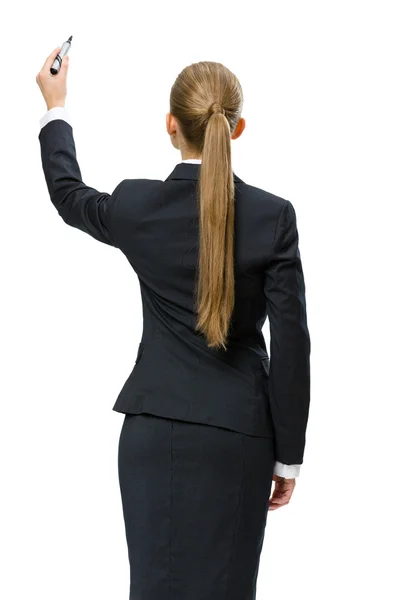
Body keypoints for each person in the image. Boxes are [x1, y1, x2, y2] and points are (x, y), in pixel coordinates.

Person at [36, 48, 311, 600]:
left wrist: (55, 107)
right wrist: (289, 455)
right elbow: (293, 346)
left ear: (170, 125)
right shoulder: (272, 216)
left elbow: (69, 196)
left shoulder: (137, 205)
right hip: (240, 436)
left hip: (151, 435)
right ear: (236, 129)